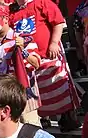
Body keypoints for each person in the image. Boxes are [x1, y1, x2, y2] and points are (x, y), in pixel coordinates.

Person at [9, 0, 81, 131]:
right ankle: (44, 118)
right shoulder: (13, 12)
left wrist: (54, 42)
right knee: (38, 92)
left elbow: (58, 23)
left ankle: (68, 117)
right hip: (29, 60)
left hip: (49, 55)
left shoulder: (43, 3)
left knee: (60, 86)